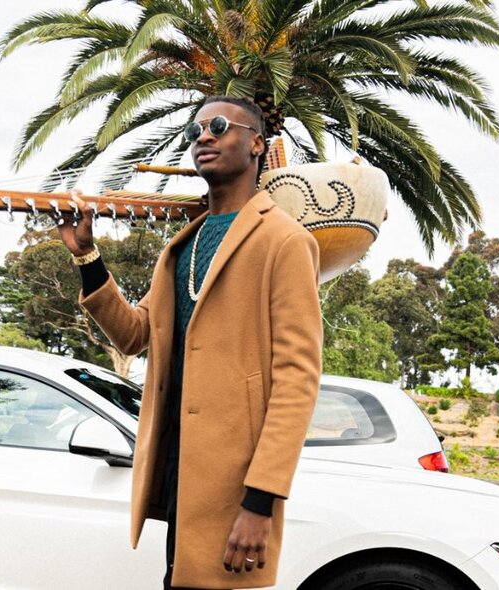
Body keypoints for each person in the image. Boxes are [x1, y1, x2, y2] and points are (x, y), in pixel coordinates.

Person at [58, 96, 323, 589]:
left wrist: (260, 502)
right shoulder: (183, 245)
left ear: (257, 143)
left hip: (237, 484)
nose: (203, 136)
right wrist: (88, 258)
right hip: (181, 470)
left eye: (219, 126)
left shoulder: (284, 242)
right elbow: (136, 334)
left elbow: (297, 382)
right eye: (195, 129)